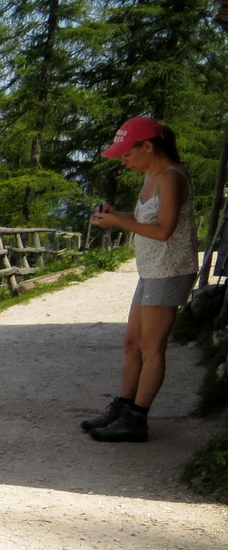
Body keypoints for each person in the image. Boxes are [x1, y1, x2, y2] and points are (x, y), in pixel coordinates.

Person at [82, 116, 198, 443]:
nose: (124, 159)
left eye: (127, 153)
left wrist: (119, 224)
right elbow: (146, 217)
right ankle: (123, 407)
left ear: (148, 146)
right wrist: (117, 215)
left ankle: (136, 420)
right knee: (132, 343)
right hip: (151, 270)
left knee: (152, 347)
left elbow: (163, 230)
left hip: (170, 270)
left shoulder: (172, 178)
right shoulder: (150, 174)